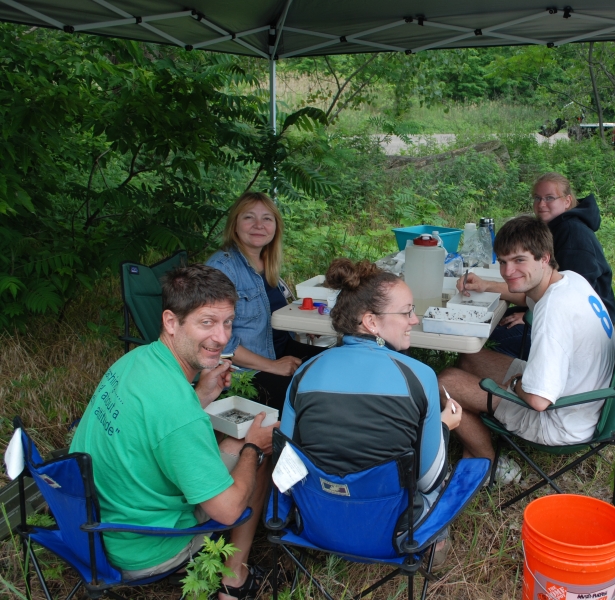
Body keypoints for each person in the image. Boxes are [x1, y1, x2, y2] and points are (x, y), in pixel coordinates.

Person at [70, 264, 277, 599]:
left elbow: (155, 426)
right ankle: (234, 579)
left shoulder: (135, 361)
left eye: (227, 322)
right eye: (206, 322)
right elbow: (228, 511)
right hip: (145, 548)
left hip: (96, 528)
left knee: (233, 442)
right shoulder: (178, 412)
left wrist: (203, 395)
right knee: (255, 453)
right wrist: (253, 448)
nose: (222, 337)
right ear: (171, 321)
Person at [280, 258, 462, 563]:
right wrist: (443, 426)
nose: (414, 320)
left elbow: (287, 471)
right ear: (371, 322)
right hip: (393, 534)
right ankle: (434, 551)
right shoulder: (418, 376)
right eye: (406, 312)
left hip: (314, 526)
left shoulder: (305, 372)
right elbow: (429, 480)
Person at [438, 216, 615, 481]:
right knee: (470, 359)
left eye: (519, 260)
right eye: (503, 261)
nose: (508, 271)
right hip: (583, 395)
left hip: (561, 420)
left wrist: (519, 382)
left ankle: (490, 463)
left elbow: (538, 400)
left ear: (544, 258)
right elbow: (526, 294)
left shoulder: (553, 313)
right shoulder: (569, 279)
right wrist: (486, 286)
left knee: (444, 382)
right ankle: (473, 437)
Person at [463, 172, 615, 358]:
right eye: (537, 198)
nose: (541, 204)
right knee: (491, 321)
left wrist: (531, 315)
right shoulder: (559, 226)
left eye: (549, 198)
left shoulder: (572, 234)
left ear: (567, 201)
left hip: (581, 335)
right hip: (555, 315)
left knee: (487, 333)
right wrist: (485, 285)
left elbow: (568, 297)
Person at [206, 192, 324, 412]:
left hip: (279, 350)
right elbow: (217, 342)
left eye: (267, 218)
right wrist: (273, 367)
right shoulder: (223, 268)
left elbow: (273, 314)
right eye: (249, 217)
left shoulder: (265, 262)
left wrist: (302, 325)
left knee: (337, 362)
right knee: (312, 399)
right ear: (235, 225)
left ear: (276, 226)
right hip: (245, 373)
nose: (258, 225)